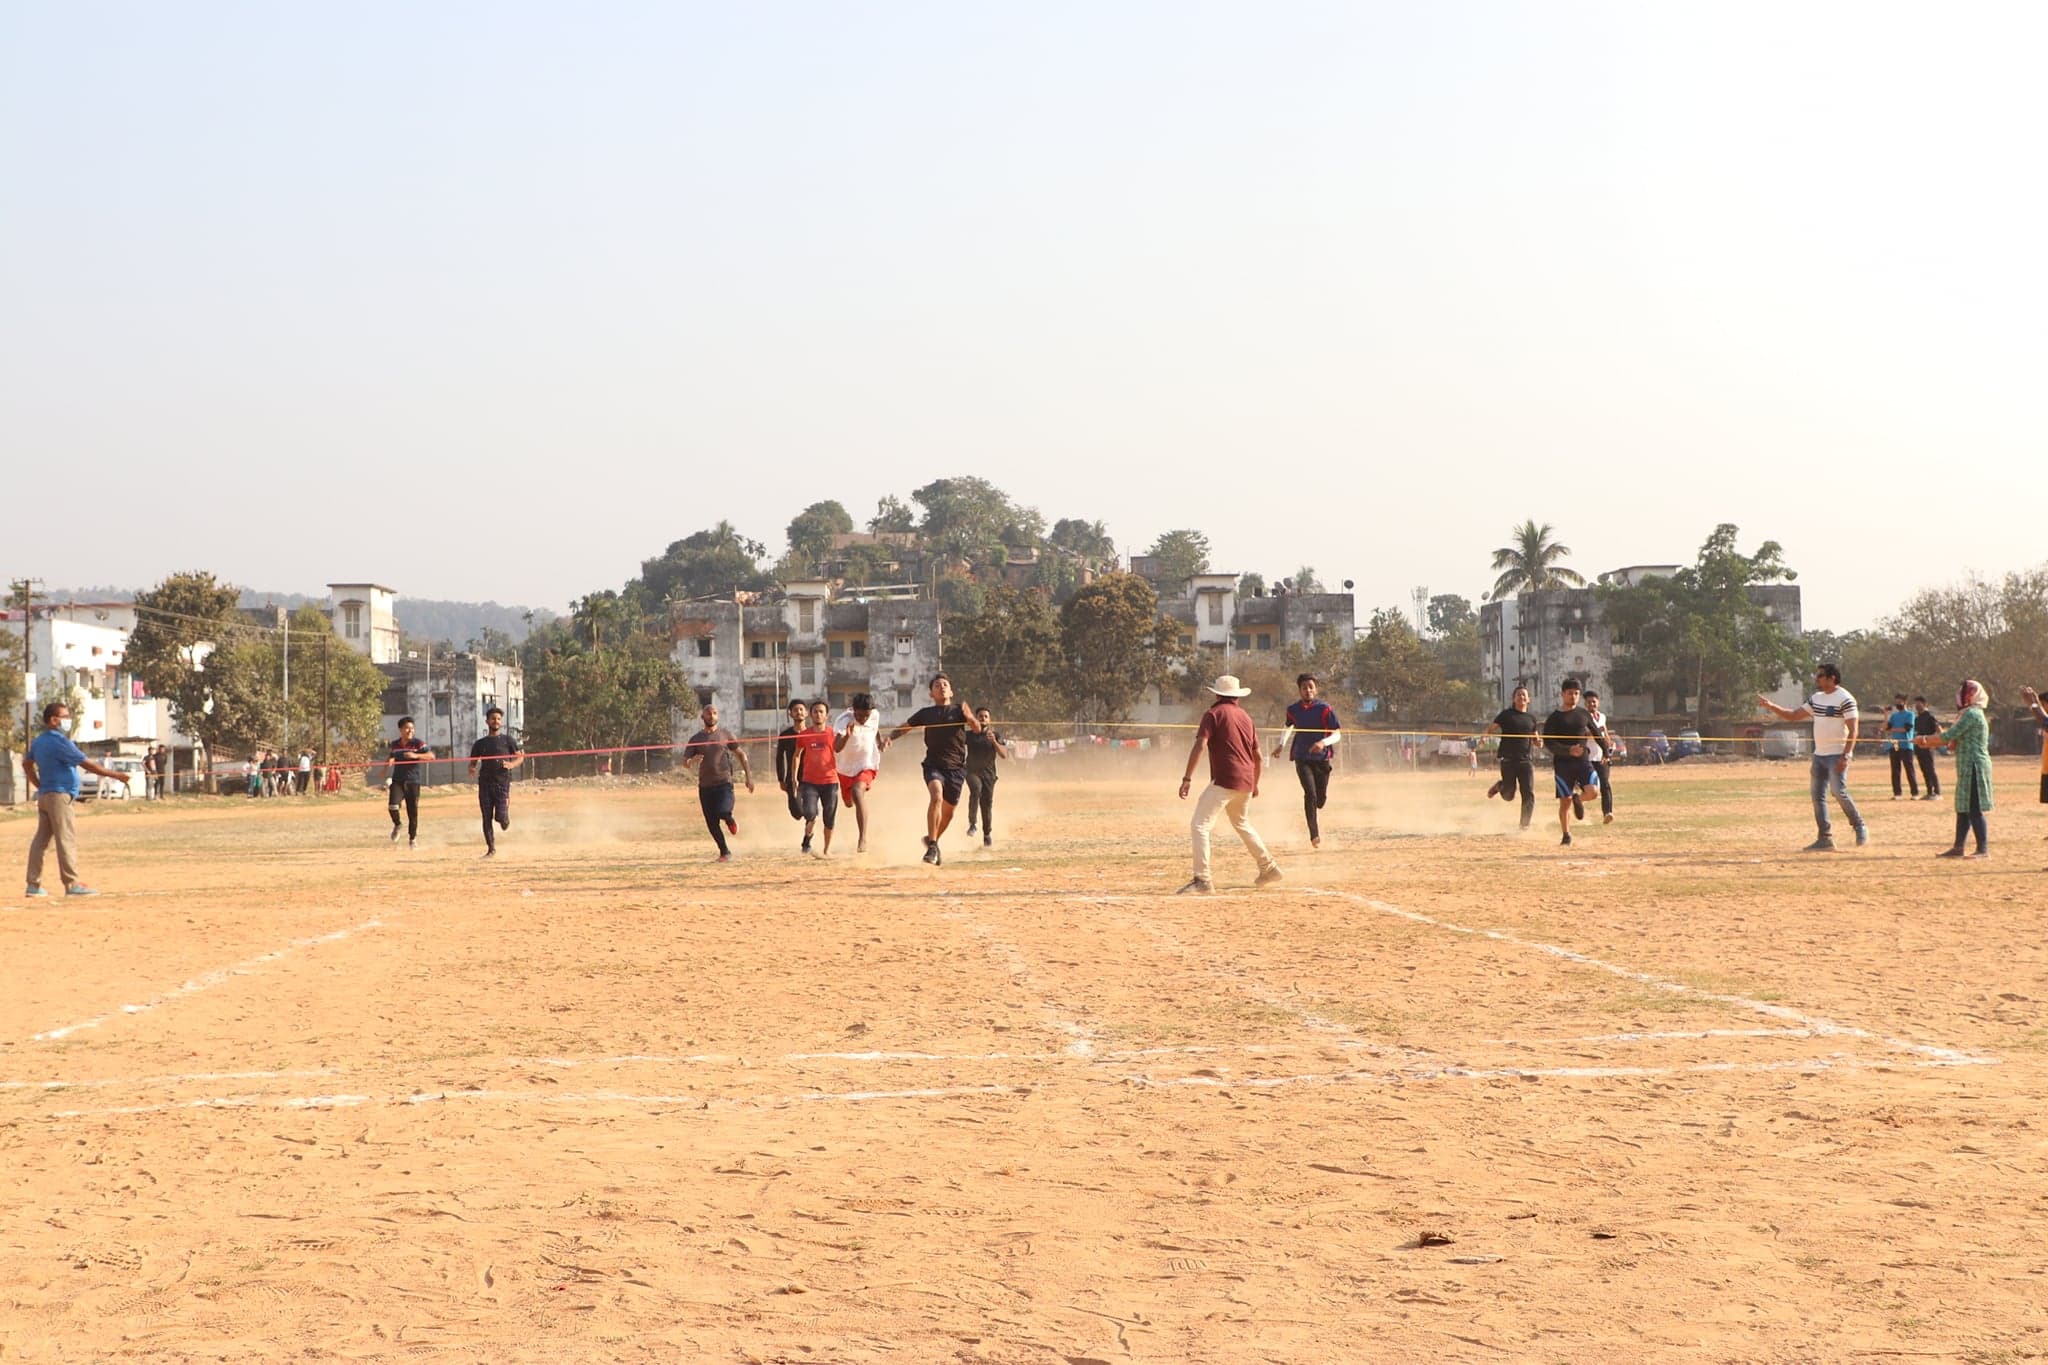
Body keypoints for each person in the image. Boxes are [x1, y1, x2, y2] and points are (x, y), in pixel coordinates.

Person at [1176, 674, 1281, 893]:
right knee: (1242, 823)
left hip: (1226, 779)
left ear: (1216, 694)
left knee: (1200, 825)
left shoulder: (1213, 714)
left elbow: (1200, 746)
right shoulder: (1246, 717)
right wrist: (1256, 783)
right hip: (1246, 780)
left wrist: (1187, 778)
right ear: (1237, 696)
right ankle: (1268, 867)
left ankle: (1202, 880)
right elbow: (1258, 758)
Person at [23, 701, 130, 897]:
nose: (68, 720)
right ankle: (71, 884)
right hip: (60, 795)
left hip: (46, 795)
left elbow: (27, 764)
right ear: (54, 720)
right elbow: (87, 764)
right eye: (65, 717)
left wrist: (39, 785)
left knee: (41, 841)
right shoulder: (61, 742)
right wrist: (116, 776)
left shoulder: (38, 741)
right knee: (65, 838)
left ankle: (33, 884)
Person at [1759, 663, 1868, 852]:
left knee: (1838, 792)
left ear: (1832, 678)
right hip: (1819, 755)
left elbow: (1854, 730)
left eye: (1821, 675)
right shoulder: (1816, 699)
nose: (1817, 679)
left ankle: (1859, 825)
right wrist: (1771, 706)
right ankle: (1825, 838)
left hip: (1837, 755)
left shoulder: (1845, 698)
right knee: (1817, 797)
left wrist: (1846, 755)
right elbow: (1793, 716)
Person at [889, 674, 983, 866]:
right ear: (931, 693)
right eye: (937, 685)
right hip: (934, 765)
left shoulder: (959, 710)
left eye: (945, 685)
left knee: (949, 813)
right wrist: (890, 738)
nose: (942, 687)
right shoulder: (926, 713)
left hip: (956, 768)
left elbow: (977, 729)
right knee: (936, 797)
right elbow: (905, 728)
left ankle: (933, 840)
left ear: (951, 691)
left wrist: (970, 716)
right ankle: (932, 846)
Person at [1922, 680, 1992, 859]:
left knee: (1974, 808)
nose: (1961, 696)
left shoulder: (1972, 714)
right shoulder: (1966, 714)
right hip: (1965, 765)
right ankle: (1958, 847)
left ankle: (1982, 850)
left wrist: (1924, 739)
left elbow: (1948, 736)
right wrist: (1927, 741)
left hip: (1974, 765)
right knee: (1963, 807)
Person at [1270, 673, 1341, 849]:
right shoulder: (1293, 709)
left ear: (1316, 689)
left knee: (1320, 800)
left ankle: (1320, 799)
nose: (1307, 690)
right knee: (1310, 794)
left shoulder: (1325, 709)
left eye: (1311, 686)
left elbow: (1337, 734)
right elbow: (1288, 726)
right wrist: (1281, 745)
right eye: (1304, 687)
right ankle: (1314, 835)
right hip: (1302, 757)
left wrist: (1322, 743)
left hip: (1322, 759)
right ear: (1299, 690)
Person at [681, 702, 753, 861]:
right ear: (702, 717)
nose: (711, 716)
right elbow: (685, 763)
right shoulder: (696, 739)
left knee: (723, 811)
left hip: (724, 784)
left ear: (717, 716)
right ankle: (725, 852)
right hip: (705, 787)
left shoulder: (725, 735)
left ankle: (729, 819)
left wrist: (749, 777)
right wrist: (692, 761)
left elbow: (741, 755)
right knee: (712, 823)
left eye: (714, 713)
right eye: (708, 713)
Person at [1543, 678, 1601, 847]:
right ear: (1562, 694)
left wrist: (1606, 750)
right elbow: (1549, 743)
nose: (1573, 696)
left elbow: (1596, 733)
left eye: (1576, 693)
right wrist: (1568, 750)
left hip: (1583, 762)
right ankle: (1566, 834)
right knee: (1565, 801)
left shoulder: (1584, 714)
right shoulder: (1554, 718)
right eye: (1570, 693)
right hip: (1563, 765)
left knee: (1593, 792)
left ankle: (1579, 799)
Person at [467, 705, 523, 858]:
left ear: (501, 722)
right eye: (493, 718)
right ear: (487, 721)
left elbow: (520, 757)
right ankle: (491, 849)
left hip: (502, 783)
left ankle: (505, 819)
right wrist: (472, 768)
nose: (496, 721)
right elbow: (473, 761)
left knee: (500, 818)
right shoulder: (480, 743)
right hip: (485, 783)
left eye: (498, 719)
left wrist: (511, 764)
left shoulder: (508, 740)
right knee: (486, 817)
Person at [1482, 685, 1539, 832]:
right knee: (1508, 795)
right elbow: (1491, 728)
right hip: (1508, 760)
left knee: (1528, 793)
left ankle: (1524, 825)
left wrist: (1539, 742)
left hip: (1525, 760)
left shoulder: (1531, 719)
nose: (1521, 697)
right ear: (1514, 699)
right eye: (1518, 695)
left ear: (1529, 699)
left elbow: (1535, 737)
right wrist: (1484, 737)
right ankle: (1500, 786)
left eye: (1524, 695)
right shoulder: (1506, 715)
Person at [834, 692, 883, 853]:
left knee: (857, 791)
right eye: (860, 715)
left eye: (866, 715)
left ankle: (862, 838)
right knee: (849, 803)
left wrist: (880, 742)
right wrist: (847, 735)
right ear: (853, 710)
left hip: (867, 764)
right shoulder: (843, 721)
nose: (863, 719)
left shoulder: (874, 715)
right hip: (845, 769)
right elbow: (836, 747)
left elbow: (875, 729)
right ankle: (855, 800)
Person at [795, 700, 840, 857]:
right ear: (810, 714)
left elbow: (841, 751)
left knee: (829, 818)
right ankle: (807, 838)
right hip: (809, 782)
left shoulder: (833, 733)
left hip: (830, 781)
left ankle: (826, 850)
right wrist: (794, 777)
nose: (818, 714)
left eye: (821, 712)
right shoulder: (804, 735)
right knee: (810, 813)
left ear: (827, 715)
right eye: (815, 711)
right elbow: (796, 756)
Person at [963, 707, 1012, 848]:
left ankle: (987, 835)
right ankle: (972, 824)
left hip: (989, 775)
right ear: (976, 718)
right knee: (976, 790)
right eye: (980, 716)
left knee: (987, 804)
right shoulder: (969, 735)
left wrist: (994, 742)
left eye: (985, 716)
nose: (983, 718)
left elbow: (1004, 755)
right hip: (971, 771)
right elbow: (956, 744)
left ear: (989, 719)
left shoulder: (995, 735)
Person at [383, 716, 430, 847]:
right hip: (398, 780)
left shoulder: (418, 743)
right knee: (392, 805)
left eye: (412, 728)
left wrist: (416, 755)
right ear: (401, 730)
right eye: (407, 728)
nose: (410, 731)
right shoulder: (395, 744)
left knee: (412, 812)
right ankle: (397, 824)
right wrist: (388, 763)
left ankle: (412, 839)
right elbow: (392, 756)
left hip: (413, 781)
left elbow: (431, 756)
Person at [1584, 690, 1616, 824]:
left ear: (1598, 702)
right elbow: (1584, 734)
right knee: (1589, 787)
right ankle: (1577, 801)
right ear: (1585, 704)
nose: (1592, 704)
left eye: (1594, 701)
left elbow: (1605, 732)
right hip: (1587, 757)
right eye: (1589, 702)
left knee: (1605, 785)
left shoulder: (1602, 717)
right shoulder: (1583, 717)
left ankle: (1607, 813)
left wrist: (1609, 744)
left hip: (1601, 757)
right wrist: (1596, 733)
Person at [774, 699, 808, 825]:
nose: (798, 712)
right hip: (792, 779)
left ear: (806, 713)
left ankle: (809, 829)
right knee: (797, 812)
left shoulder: (811, 734)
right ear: (790, 714)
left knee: (810, 811)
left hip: (811, 778)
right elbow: (779, 757)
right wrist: (781, 779)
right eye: (795, 710)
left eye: (801, 710)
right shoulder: (785, 735)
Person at [1885, 694, 1921, 800]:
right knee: (1895, 769)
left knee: (1909, 769)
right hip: (1895, 744)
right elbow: (1886, 727)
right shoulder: (1894, 716)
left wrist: (1893, 730)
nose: (1897, 704)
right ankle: (1897, 793)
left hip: (1906, 745)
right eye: (1896, 702)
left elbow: (1906, 728)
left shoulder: (1910, 714)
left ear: (1905, 702)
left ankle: (1915, 793)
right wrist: (1886, 715)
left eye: (1899, 702)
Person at [1912, 696, 1943, 800]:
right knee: (1924, 770)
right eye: (1916, 704)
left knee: (1930, 769)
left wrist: (1935, 742)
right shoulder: (1917, 719)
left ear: (1925, 704)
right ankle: (1929, 792)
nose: (1917, 706)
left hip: (1928, 747)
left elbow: (1939, 730)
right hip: (1919, 747)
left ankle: (1937, 792)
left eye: (1919, 704)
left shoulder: (1930, 717)